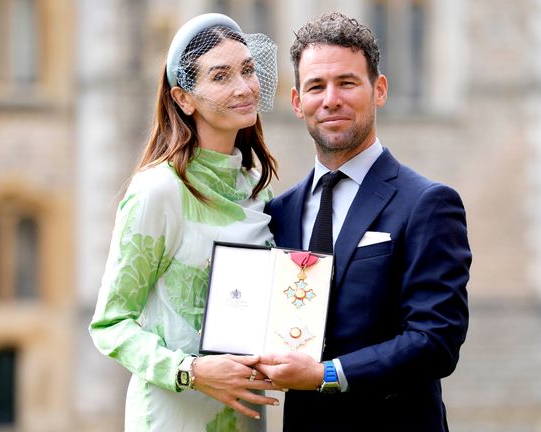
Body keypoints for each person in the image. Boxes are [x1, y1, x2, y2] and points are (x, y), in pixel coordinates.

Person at [257, 12, 472, 431]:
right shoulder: (278, 213)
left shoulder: (427, 203)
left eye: (347, 83)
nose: (331, 99)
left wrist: (327, 375)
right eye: (316, 86)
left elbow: (436, 342)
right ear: (297, 102)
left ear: (379, 90)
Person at [89, 13, 282, 431]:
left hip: (247, 414)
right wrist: (191, 371)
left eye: (248, 70)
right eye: (220, 76)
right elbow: (110, 323)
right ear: (183, 99)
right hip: (173, 415)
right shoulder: (158, 190)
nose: (244, 87)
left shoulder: (257, 190)